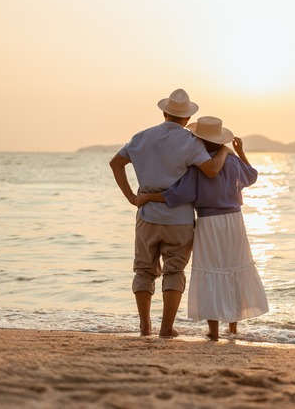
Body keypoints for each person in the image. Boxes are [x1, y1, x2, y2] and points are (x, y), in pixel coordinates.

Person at [109, 89, 231, 337]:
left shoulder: (141, 137)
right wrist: (223, 151)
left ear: (164, 112)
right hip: (179, 218)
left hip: (147, 214)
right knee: (174, 271)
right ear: (187, 119)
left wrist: (131, 197)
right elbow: (210, 171)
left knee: (144, 270)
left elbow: (116, 163)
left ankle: (145, 326)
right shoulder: (190, 141)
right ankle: (166, 328)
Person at [136, 116, 269, 341]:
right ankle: (233, 328)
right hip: (235, 222)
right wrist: (240, 152)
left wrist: (149, 196)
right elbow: (252, 176)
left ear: (200, 140)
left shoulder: (198, 167)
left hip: (209, 223)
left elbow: (177, 195)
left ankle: (214, 331)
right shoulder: (234, 162)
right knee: (233, 268)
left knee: (211, 271)